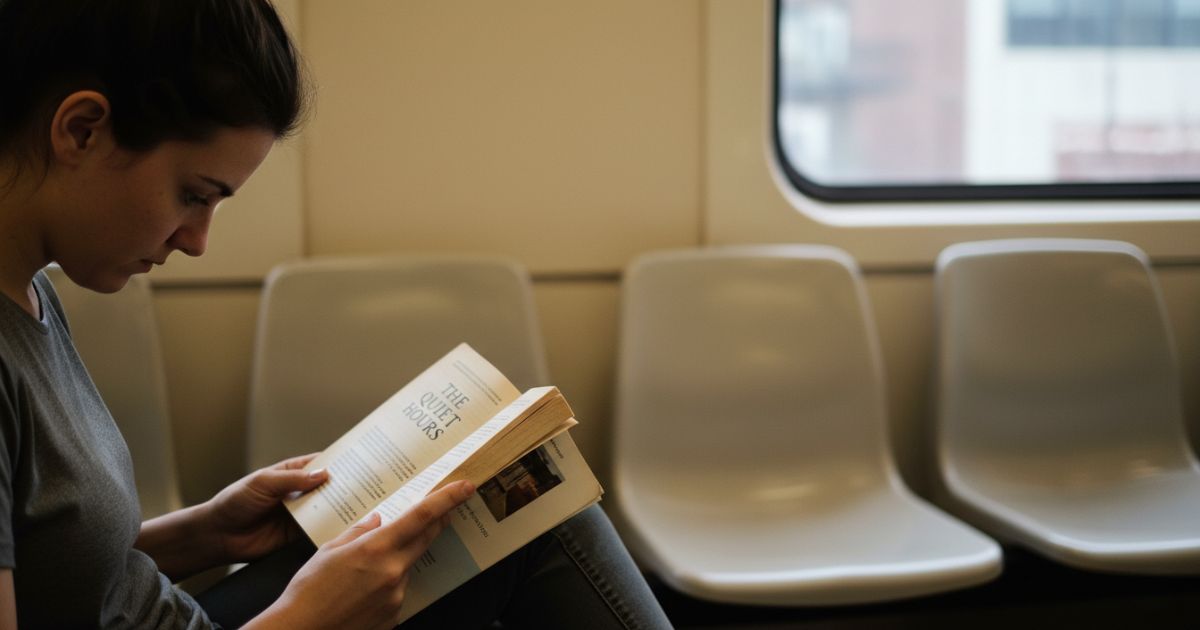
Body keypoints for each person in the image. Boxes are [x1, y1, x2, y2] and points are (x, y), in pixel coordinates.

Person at [0, 0, 673, 627]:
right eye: (193, 194)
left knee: (518, 507)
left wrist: (207, 533)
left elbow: (56, 575)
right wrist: (308, 620)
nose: (196, 241)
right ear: (81, 131)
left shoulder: (33, 288)